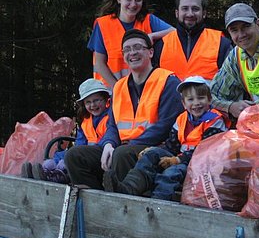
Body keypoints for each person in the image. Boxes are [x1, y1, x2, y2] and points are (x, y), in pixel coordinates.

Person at [66, 29, 184, 189]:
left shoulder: (168, 81)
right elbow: (113, 126)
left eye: (137, 47)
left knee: (122, 154)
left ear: (150, 52)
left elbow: (166, 126)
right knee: (75, 155)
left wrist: (126, 145)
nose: (132, 53)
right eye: (127, 49)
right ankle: (95, 201)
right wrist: (108, 144)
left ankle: (122, 204)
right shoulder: (119, 86)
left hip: (156, 148)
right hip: (123, 147)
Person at [103, 76, 228, 199]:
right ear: (184, 103)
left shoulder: (214, 120)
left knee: (171, 173)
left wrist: (178, 160)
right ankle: (129, 188)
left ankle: (158, 203)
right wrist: (153, 149)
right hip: (181, 158)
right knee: (150, 155)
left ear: (210, 100)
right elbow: (171, 146)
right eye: (190, 99)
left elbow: (206, 153)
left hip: (202, 165)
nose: (196, 103)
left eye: (201, 98)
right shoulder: (182, 119)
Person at [88, 0, 175, 88]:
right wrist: (119, 88)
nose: (133, 4)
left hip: (143, 89)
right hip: (111, 92)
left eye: (138, 0)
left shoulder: (148, 20)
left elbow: (174, 32)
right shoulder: (103, 24)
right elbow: (100, 64)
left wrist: (152, 36)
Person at [21, 78, 111, 183]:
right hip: (83, 152)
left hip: (99, 155)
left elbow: (108, 139)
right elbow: (80, 141)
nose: (92, 105)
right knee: (60, 155)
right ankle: (45, 172)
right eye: (88, 102)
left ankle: (58, 176)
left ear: (105, 100)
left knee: (70, 158)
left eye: (96, 100)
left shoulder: (110, 117)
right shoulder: (86, 120)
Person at [153, 0, 232, 81]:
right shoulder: (161, 45)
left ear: (204, 13)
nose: (190, 14)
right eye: (185, 8)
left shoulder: (221, 43)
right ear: (177, 13)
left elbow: (231, 81)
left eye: (195, 9)